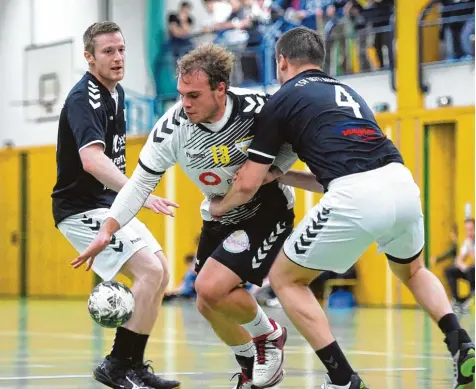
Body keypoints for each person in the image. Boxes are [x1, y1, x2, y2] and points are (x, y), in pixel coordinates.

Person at [209, 26, 475, 389]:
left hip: (355, 195)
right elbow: (334, 174)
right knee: (413, 272)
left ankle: (342, 377)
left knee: (287, 279)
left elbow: (246, 183)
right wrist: (284, 177)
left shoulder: (282, 99)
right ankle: (461, 344)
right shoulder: (347, 92)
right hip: (400, 184)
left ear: (281, 61)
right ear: (319, 60)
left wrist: (220, 207)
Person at [72, 43, 299, 389]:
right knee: (207, 302)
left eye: (193, 96)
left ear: (221, 89)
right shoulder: (172, 128)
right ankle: (251, 369)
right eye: (181, 94)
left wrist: (273, 171)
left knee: (212, 286)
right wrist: (108, 229)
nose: (185, 104)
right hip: (220, 213)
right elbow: (138, 185)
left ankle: (269, 336)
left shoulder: (258, 108)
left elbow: (295, 140)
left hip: (266, 207)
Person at [52, 21, 181, 389]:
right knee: (150, 273)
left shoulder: (117, 93)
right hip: (80, 208)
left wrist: (129, 197)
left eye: (121, 49)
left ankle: (134, 366)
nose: (118, 57)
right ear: (89, 58)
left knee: (161, 271)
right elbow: (92, 161)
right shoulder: (84, 98)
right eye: (108, 51)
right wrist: (140, 192)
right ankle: (116, 364)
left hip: (107, 202)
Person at [444, 218, 475, 314]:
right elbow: (458, 260)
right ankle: (457, 300)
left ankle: (472, 298)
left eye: (471, 229)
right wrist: (463, 266)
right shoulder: (467, 242)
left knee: (471, 270)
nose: (468, 232)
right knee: (449, 271)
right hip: (471, 271)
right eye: (466, 230)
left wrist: (470, 250)